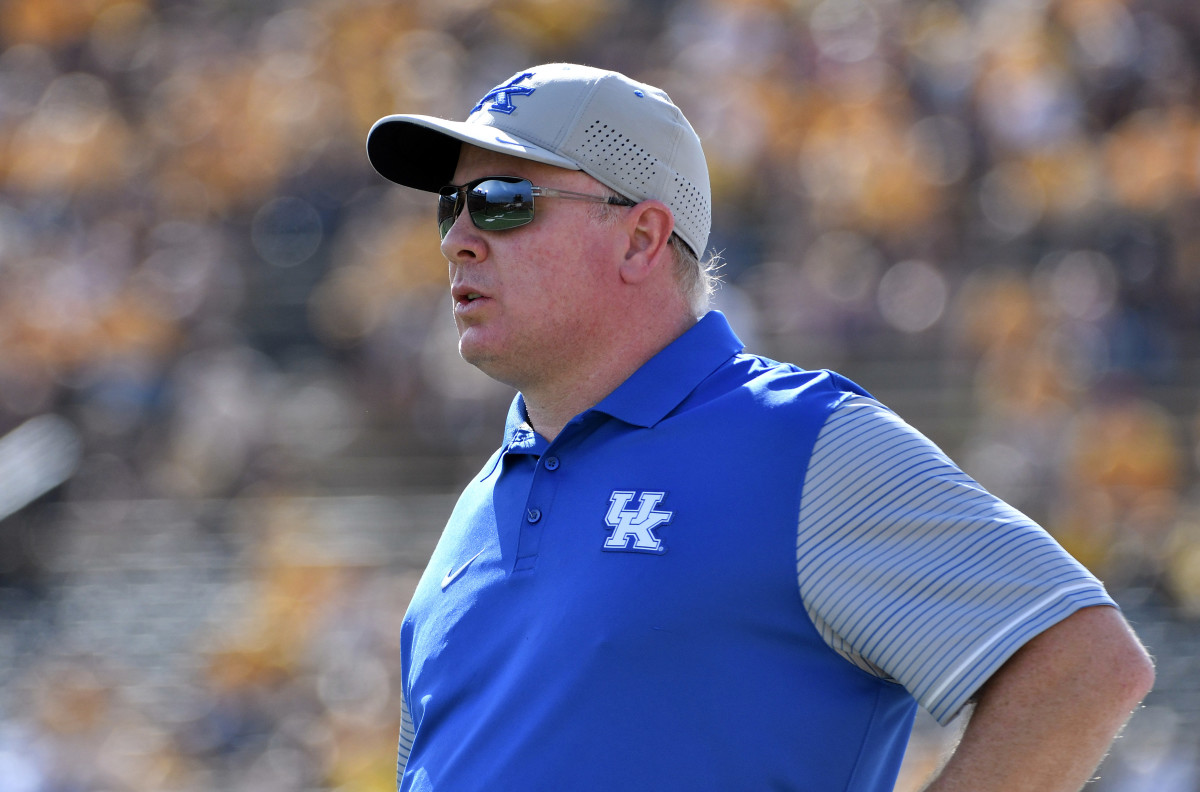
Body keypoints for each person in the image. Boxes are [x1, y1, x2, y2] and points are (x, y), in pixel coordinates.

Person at [365, 62, 1154, 792]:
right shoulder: (481, 499)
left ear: (640, 237)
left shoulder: (800, 442)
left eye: (504, 201)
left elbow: (1084, 665)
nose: (459, 239)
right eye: (450, 206)